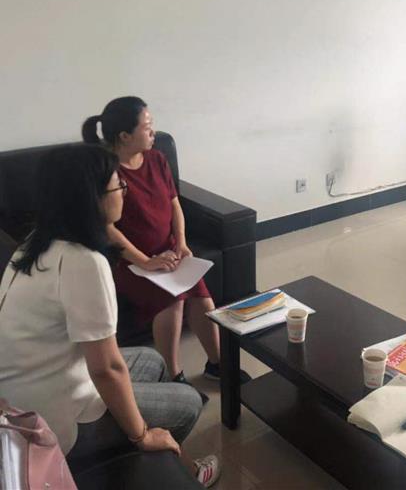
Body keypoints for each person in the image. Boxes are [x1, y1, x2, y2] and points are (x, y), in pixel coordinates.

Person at [0, 145, 220, 487]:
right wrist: (141, 434)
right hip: (52, 415)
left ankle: (157, 456)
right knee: (188, 402)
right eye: (119, 185)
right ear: (92, 198)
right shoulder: (82, 261)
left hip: (28, 386)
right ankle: (172, 468)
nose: (124, 193)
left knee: (152, 361)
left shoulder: (34, 243)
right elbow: (105, 368)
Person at [82, 98, 235, 384]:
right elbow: (107, 228)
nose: (153, 132)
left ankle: (217, 364)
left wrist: (181, 243)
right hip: (129, 261)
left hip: (168, 251)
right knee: (172, 300)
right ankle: (173, 375)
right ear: (125, 136)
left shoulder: (156, 159)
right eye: (147, 126)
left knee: (202, 298)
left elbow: (174, 204)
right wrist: (146, 262)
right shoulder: (107, 171)